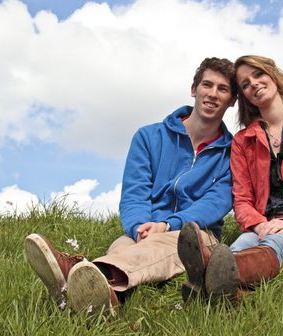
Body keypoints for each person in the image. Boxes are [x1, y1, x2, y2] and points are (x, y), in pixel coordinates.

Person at [24, 57, 237, 314]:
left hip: (196, 235)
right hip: (144, 229)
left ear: (232, 100)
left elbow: (214, 203)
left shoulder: (233, 153)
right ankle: (104, 302)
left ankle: (78, 272)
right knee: (123, 247)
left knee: (168, 245)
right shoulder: (148, 137)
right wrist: (139, 227)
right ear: (194, 89)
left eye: (222, 89)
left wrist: (168, 225)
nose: (213, 94)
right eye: (207, 85)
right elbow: (135, 192)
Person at [177, 55, 283, 301]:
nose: (254, 84)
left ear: (273, 75)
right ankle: (229, 292)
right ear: (244, 96)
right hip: (262, 223)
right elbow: (241, 200)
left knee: (277, 243)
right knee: (239, 245)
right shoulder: (242, 141)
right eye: (246, 84)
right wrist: (259, 224)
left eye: (258, 75)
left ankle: (206, 276)